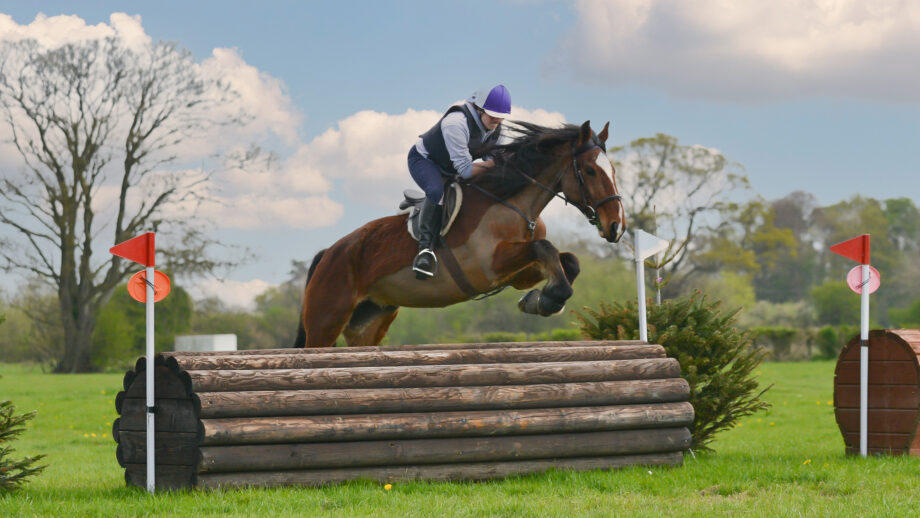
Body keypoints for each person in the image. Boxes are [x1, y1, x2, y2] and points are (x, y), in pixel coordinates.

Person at [407, 84, 512, 279]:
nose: (497, 120)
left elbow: (496, 164)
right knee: (436, 191)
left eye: (500, 116)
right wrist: (497, 164)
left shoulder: (498, 130)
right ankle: (425, 251)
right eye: (492, 115)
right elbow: (466, 170)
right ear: (479, 109)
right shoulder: (456, 122)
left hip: (452, 167)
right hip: (425, 161)